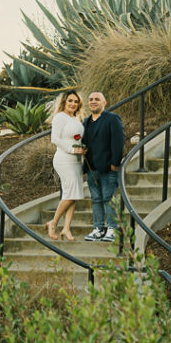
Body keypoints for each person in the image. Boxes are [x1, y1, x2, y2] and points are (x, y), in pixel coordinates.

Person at [82, 91, 125, 242]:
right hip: (91, 169)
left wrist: (115, 163)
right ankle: (98, 228)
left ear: (104, 103)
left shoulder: (112, 119)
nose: (93, 101)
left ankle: (112, 228)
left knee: (109, 198)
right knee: (96, 199)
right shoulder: (86, 122)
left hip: (108, 168)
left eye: (97, 99)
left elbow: (118, 141)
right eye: (91, 99)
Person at [46, 90, 85, 241]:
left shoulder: (75, 118)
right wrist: (72, 149)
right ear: (64, 101)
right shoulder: (60, 117)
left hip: (76, 161)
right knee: (71, 193)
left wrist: (82, 149)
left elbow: (78, 138)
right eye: (70, 101)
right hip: (64, 159)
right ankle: (53, 223)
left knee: (73, 194)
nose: (73, 104)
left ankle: (67, 228)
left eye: (76, 102)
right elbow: (55, 139)